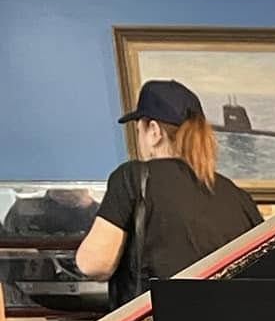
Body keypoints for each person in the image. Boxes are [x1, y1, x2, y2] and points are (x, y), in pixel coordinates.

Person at [74, 81, 260, 307]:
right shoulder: (237, 196)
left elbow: (94, 264)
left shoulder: (134, 177)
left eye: (139, 130)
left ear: (154, 131)